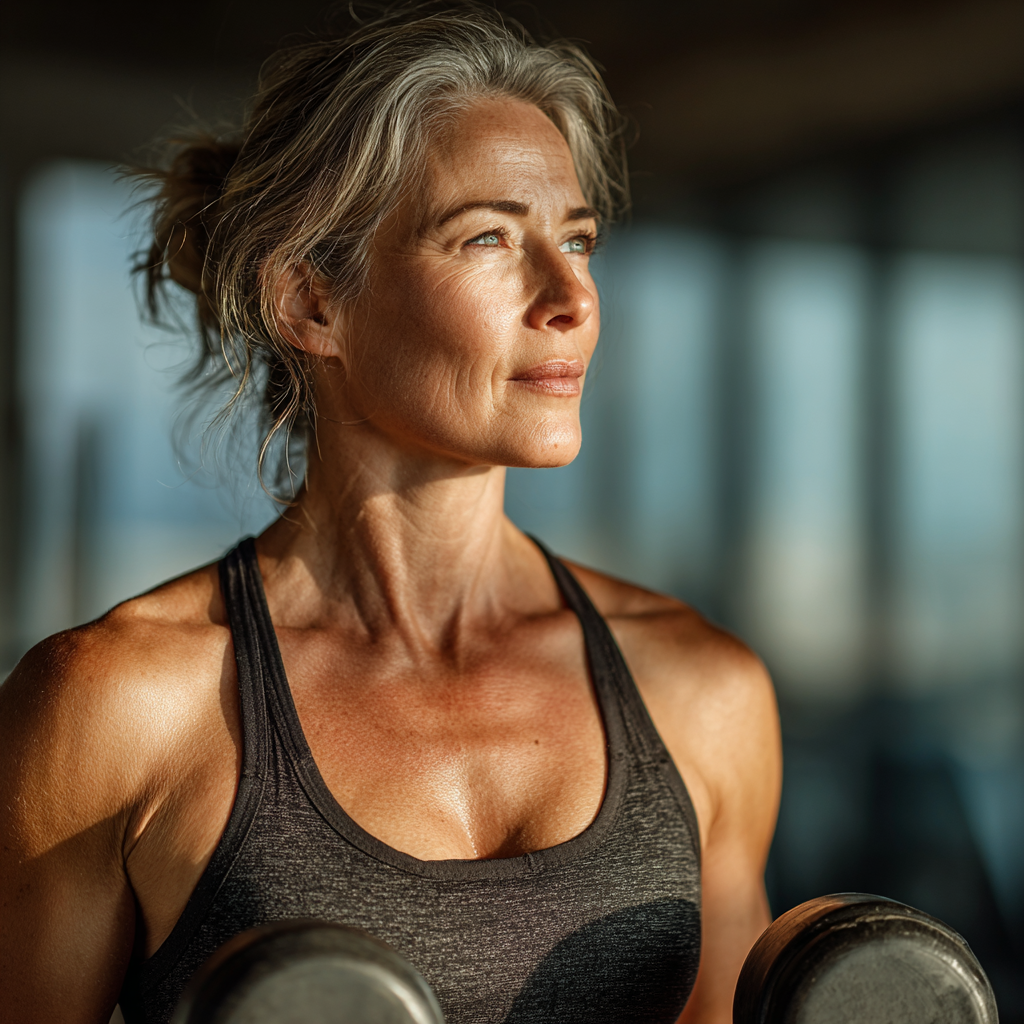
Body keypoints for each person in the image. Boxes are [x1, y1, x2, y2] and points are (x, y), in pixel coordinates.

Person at [0, 5, 781, 1023]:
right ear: (311, 301)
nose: (569, 297)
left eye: (577, 241)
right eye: (490, 236)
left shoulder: (701, 693)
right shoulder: (117, 706)